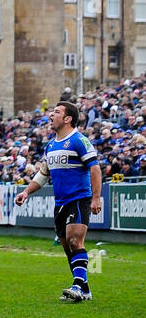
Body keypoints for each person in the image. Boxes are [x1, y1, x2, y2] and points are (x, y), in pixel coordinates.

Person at [14, 101, 102, 302]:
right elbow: (43, 174)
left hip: (79, 198)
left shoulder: (79, 140)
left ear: (68, 118)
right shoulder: (51, 145)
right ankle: (84, 288)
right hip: (60, 203)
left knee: (74, 240)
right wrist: (26, 192)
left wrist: (96, 198)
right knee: (67, 247)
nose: (51, 115)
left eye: (56, 112)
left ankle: (77, 287)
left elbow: (95, 168)